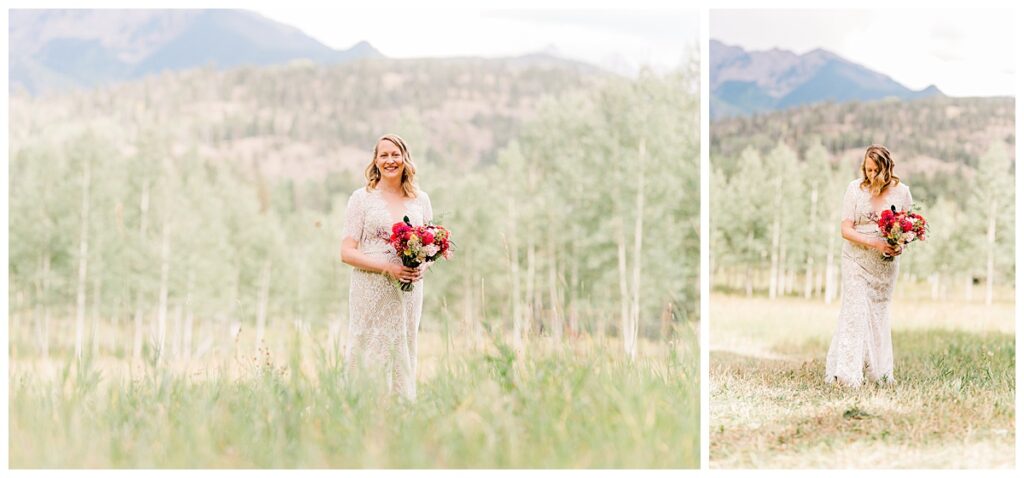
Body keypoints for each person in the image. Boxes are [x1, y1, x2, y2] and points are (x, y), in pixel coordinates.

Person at [340, 133, 432, 401]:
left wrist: (421, 268)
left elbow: (428, 248)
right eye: (384, 155)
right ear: (376, 161)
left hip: (408, 291)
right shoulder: (361, 198)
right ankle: (362, 403)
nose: (390, 160)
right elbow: (346, 252)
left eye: (395, 154)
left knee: (404, 344)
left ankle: (401, 408)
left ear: (404, 159)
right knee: (368, 344)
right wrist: (387, 268)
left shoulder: (420, 199)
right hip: (370, 288)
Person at [825, 144, 912, 387]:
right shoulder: (855, 189)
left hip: (884, 266)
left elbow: (906, 231)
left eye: (876, 171)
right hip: (855, 260)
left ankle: (879, 373)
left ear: (887, 169)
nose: (870, 175)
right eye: (867, 169)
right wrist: (874, 243)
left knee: (878, 316)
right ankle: (847, 375)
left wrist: (899, 245)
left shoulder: (902, 193)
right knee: (855, 312)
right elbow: (845, 229)